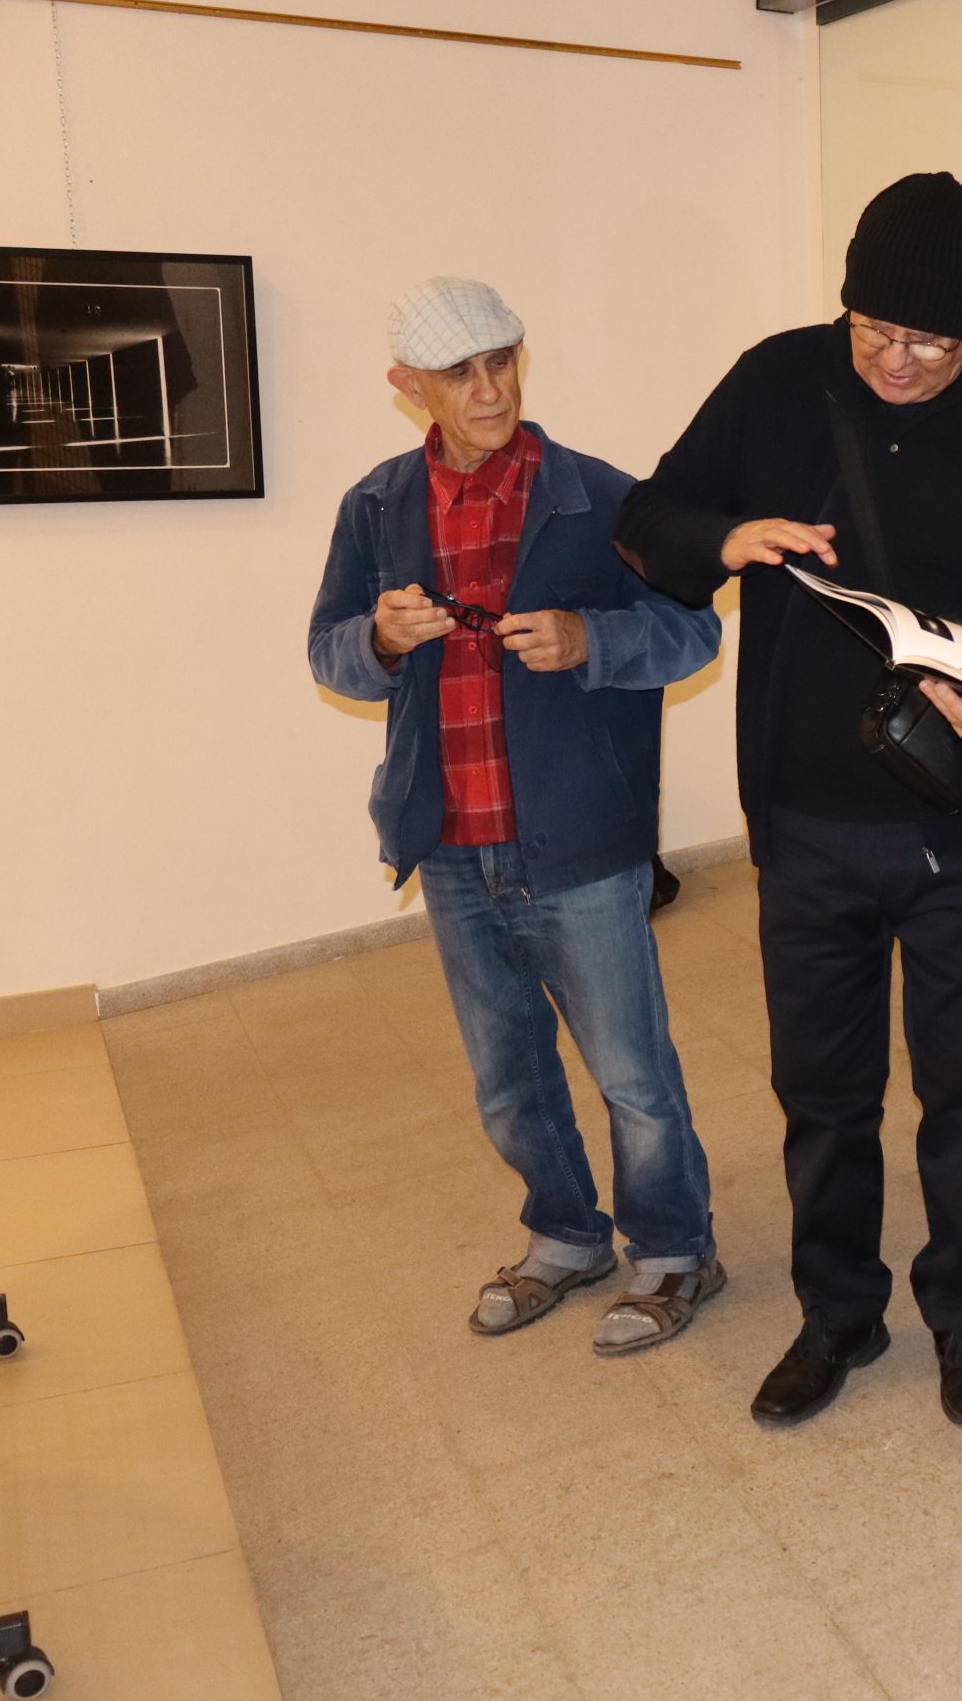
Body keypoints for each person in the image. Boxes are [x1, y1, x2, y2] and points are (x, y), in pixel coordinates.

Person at [614, 174, 962, 1430]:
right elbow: (645, 519)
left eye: (931, 340)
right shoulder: (777, 380)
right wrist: (726, 540)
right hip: (810, 818)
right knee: (822, 1093)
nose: (898, 360)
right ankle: (838, 1313)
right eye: (877, 330)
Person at [308, 277, 726, 1353]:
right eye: (459, 372)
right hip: (450, 843)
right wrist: (382, 639)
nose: (489, 388)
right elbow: (329, 651)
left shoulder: (601, 498)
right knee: (507, 1079)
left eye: (502, 360)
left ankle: (675, 1250)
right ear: (408, 386)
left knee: (631, 1073)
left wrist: (593, 640)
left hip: (580, 837)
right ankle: (567, 1236)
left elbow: (692, 633)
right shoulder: (375, 506)